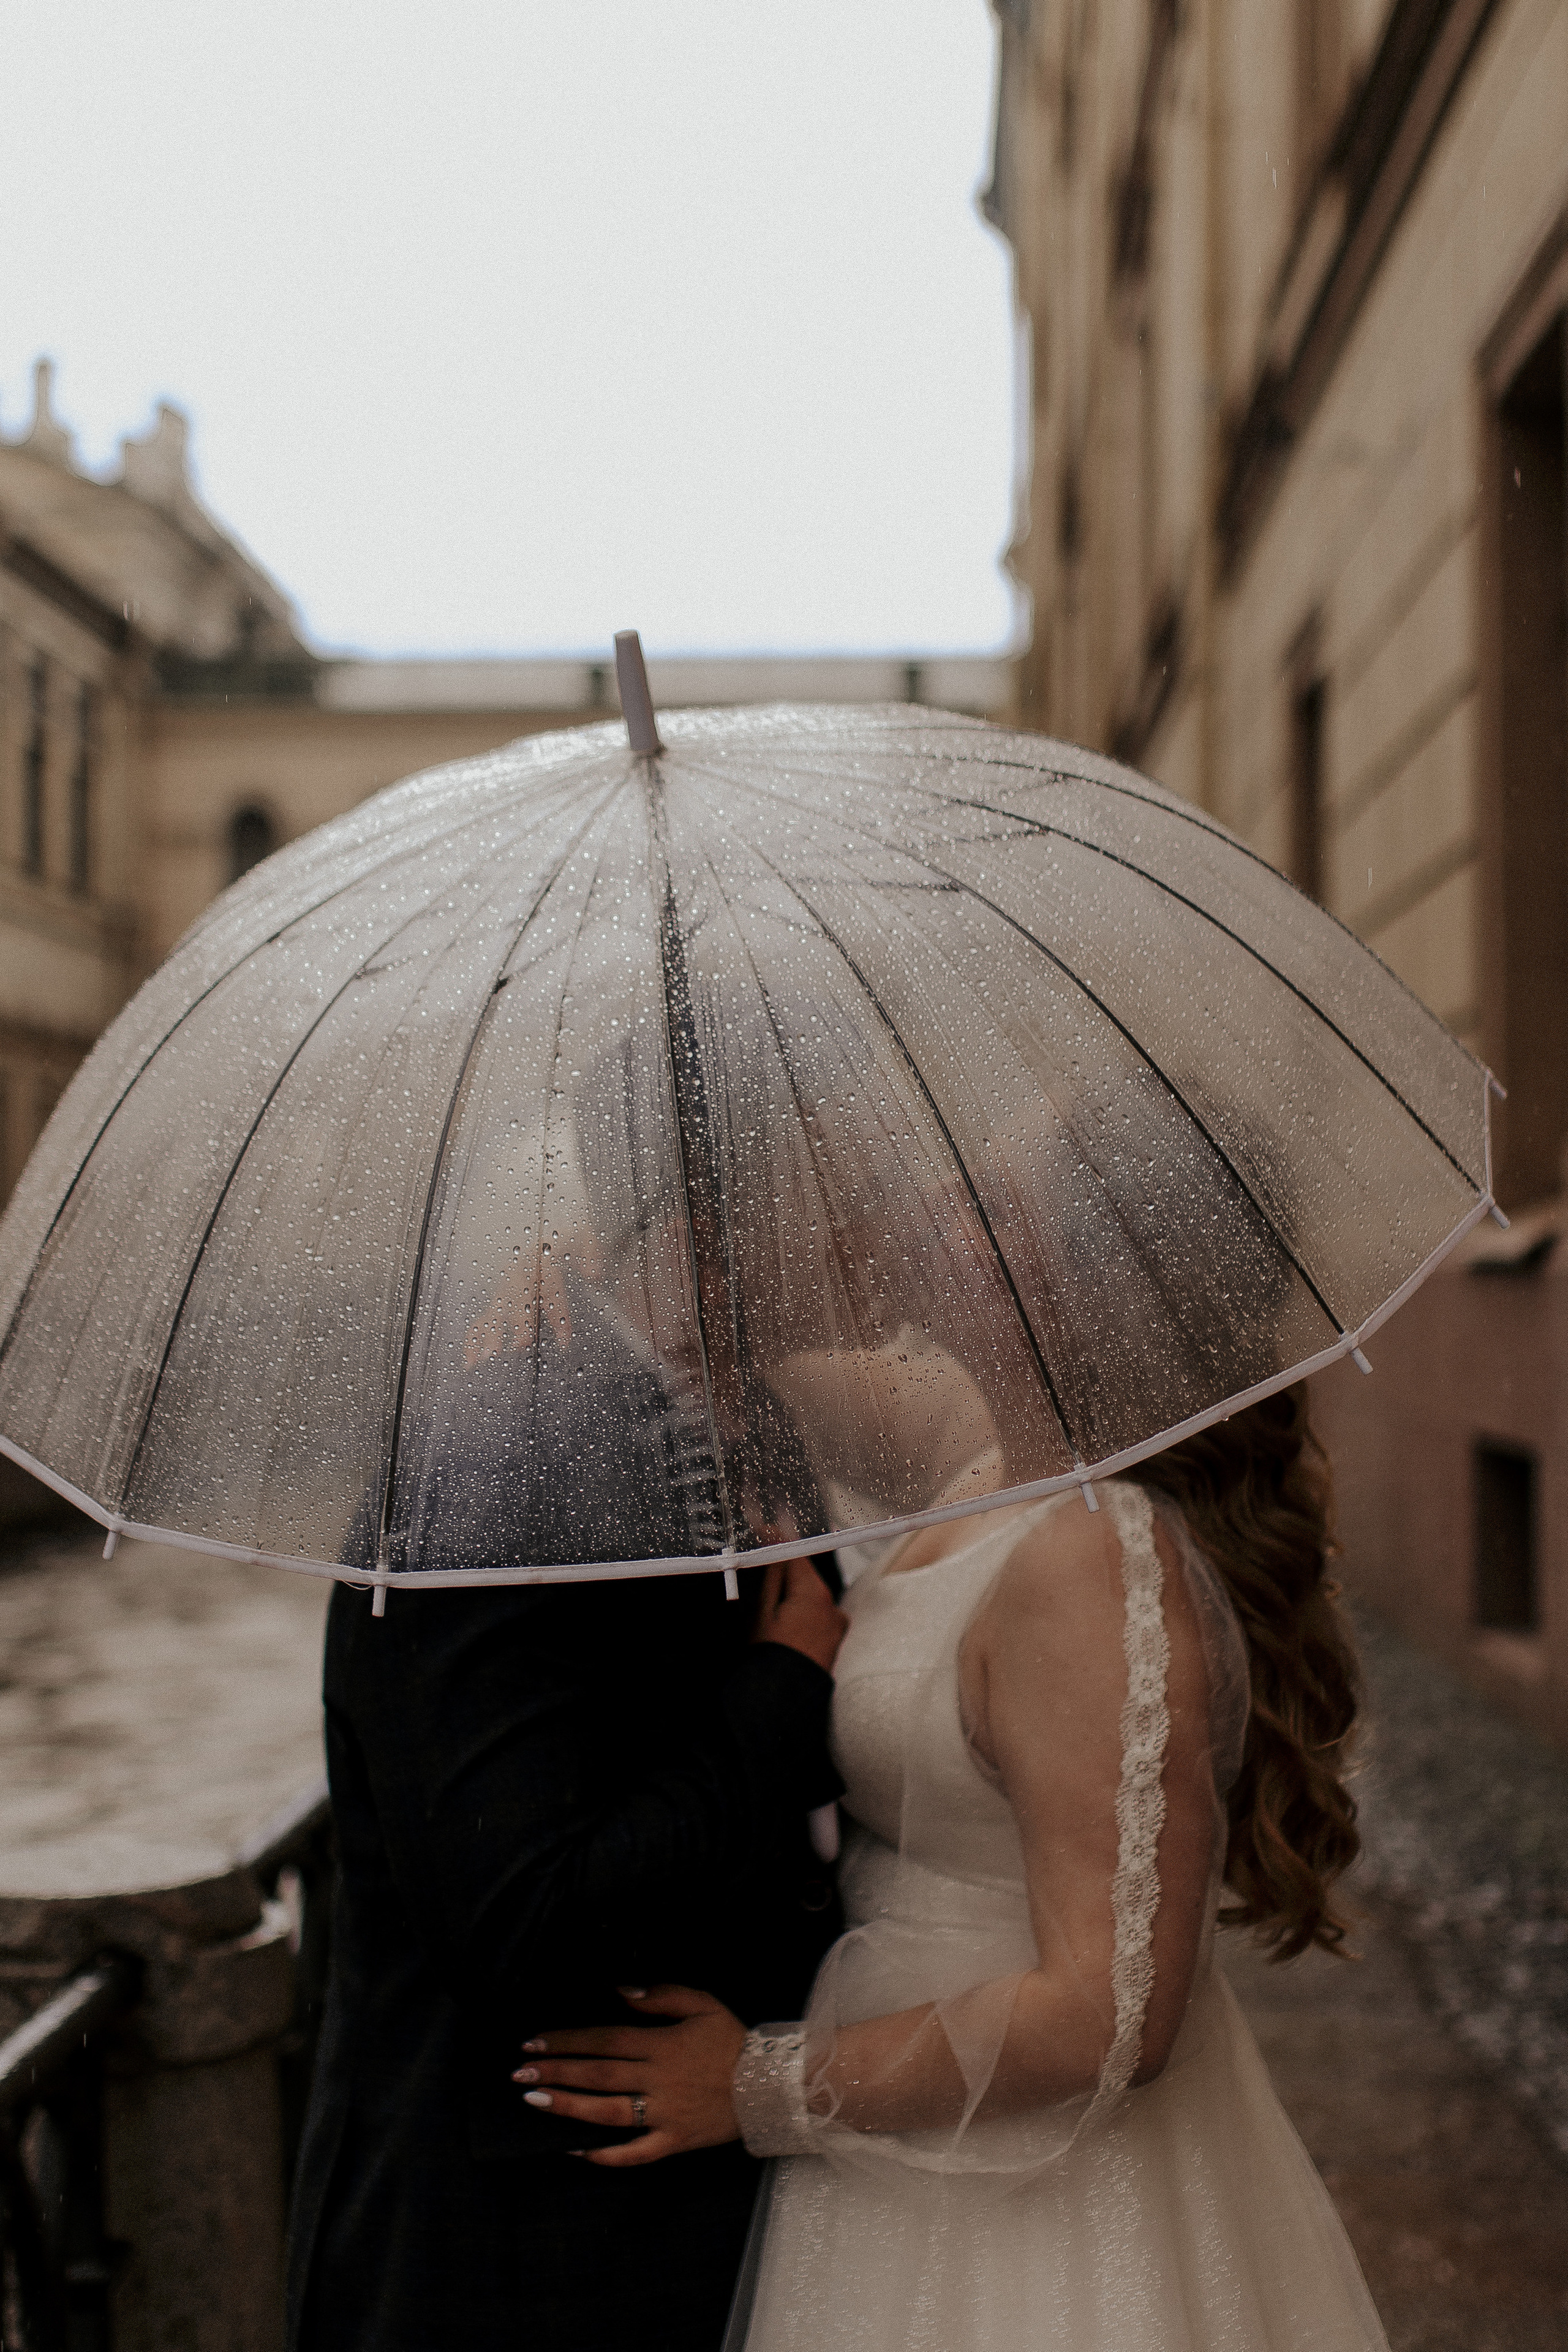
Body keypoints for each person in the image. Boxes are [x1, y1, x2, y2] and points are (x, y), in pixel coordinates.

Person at [514, 1376, 1394, 2351]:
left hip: (1038, 2187)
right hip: (887, 2152)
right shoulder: (987, 1462)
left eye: (980, 1225)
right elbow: (814, 1376)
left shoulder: (1090, 1549)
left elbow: (1112, 2016)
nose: (928, 1240)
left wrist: (757, 2086)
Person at [284, 1267, 850, 2352]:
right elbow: (525, 1918)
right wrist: (782, 1688)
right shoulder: (500, 1459)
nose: (872, 1207)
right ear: (727, 1193)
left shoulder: (746, 1409)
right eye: (839, 1179)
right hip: (519, 2251)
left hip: (693, 2207)